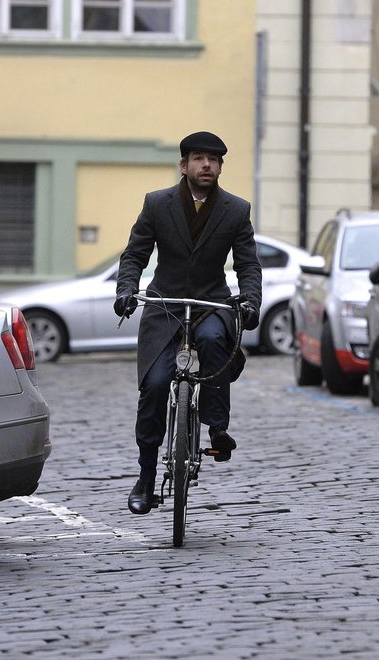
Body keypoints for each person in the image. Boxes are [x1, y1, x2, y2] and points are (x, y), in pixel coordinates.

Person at [114, 131, 263, 515]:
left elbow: (248, 265)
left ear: (220, 167)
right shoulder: (157, 204)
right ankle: (146, 478)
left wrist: (249, 301)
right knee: (157, 385)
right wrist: (126, 291)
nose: (207, 165)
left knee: (215, 342)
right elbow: (135, 255)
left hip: (210, 302)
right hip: (165, 305)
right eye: (199, 158)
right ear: (184, 166)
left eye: (214, 160)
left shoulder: (235, 210)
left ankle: (216, 430)